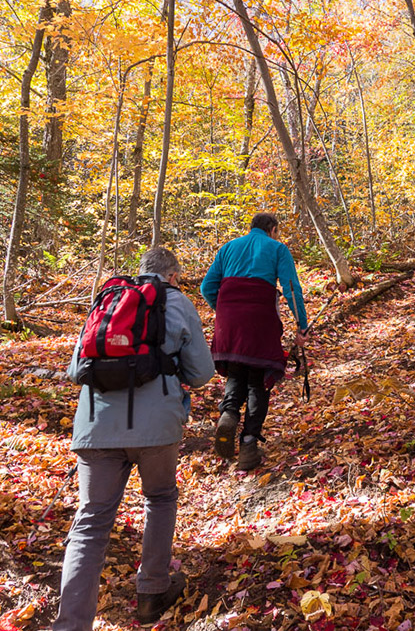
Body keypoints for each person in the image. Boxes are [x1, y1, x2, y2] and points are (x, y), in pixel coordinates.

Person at [53, 248, 214, 631]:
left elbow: (77, 370)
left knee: (91, 523)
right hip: (157, 427)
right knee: (159, 498)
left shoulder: (108, 299)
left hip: (95, 426)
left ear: (140, 272)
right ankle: (151, 592)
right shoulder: (176, 302)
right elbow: (203, 371)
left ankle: (71, 624)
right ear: (172, 276)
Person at [201, 212, 308, 471]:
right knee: (258, 380)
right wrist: (302, 325)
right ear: (272, 229)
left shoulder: (228, 248)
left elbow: (206, 287)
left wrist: (224, 310)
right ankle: (248, 443)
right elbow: (292, 287)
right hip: (260, 319)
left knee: (236, 373)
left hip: (229, 322)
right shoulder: (277, 249)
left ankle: (228, 414)